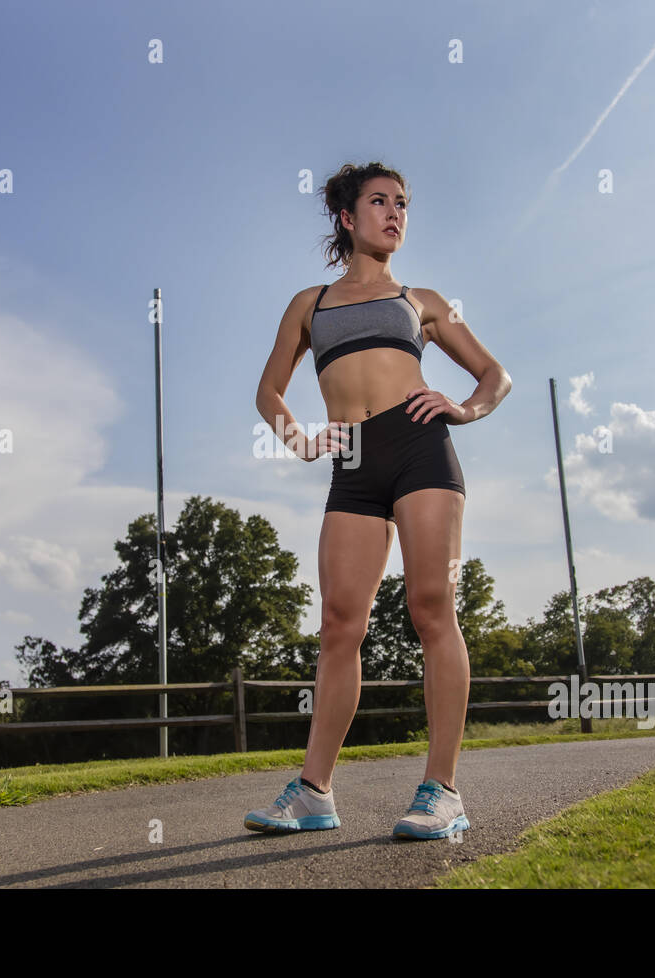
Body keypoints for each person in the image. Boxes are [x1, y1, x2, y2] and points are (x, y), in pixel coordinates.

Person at [247, 161, 512, 840]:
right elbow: (268, 391)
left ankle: (442, 790)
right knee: (340, 622)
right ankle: (313, 793)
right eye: (379, 202)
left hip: (419, 445)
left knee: (431, 607)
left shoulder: (421, 298)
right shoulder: (310, 304)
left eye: (402, 204)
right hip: (353, 460)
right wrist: (301, 439)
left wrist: (466, 408)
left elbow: (494, 374)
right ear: (346, 217)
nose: (395, 213)